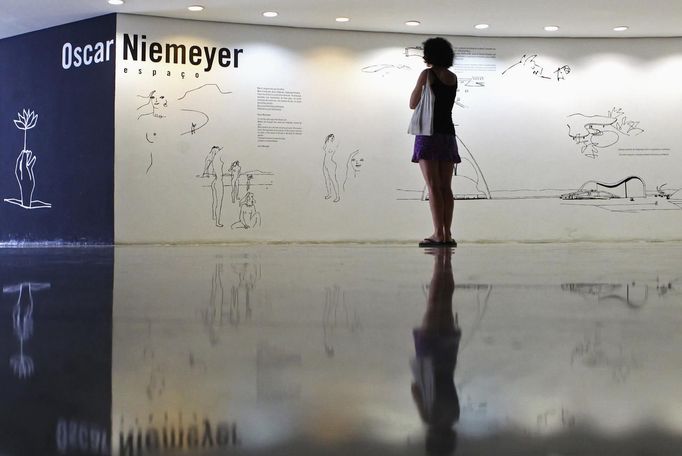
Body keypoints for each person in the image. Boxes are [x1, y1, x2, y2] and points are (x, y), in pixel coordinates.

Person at [410, 37, 461, 247]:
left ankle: (437, 233)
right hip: (448, 134)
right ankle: (447, 234)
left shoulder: (427, 74)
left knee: (432, 187)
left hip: (428, 134)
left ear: (431, 54)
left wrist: (421, 87)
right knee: (446, 187)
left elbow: (413, 104)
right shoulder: (452, 77)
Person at [411, 247, 461, 455]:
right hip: (431, 354)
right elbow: (416, 390)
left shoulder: (454, 415)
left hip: (448, 352)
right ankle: (442, 264)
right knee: (434, 302)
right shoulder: (430, 417)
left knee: (444, 302)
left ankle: (443, 264)